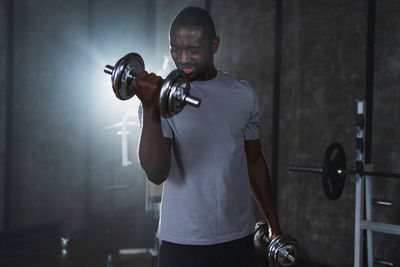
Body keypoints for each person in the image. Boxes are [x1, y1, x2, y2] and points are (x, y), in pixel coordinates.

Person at [133, 7, 281, 267]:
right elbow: (156, 173)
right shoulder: (159, 97)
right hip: (183, 240)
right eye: (175, 49)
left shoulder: (242, 94)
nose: (183, 58)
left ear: (214, 45)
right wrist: (149, 109)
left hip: (238, 236)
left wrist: (273, 225)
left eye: (193, 49)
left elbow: (254, 162)